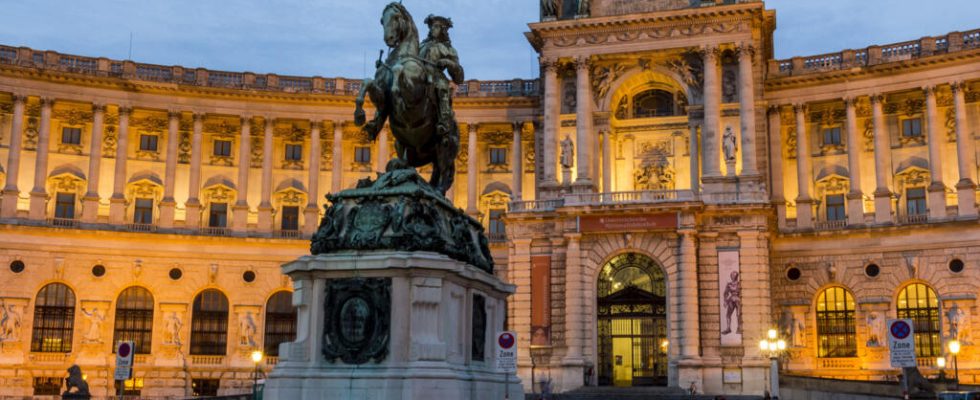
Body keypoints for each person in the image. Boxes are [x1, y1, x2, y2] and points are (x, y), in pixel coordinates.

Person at [420, 14, 464, 141]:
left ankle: (444, 123)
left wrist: (448, 62)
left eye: (436, 27)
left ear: (443, 30)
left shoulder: (449, 50)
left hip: (435, 76)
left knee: (442, 89)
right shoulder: (420, 46)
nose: (432, 29)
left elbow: (459, 77)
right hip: (418, 75)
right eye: (432, 27)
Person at [720, 271, 742, 335]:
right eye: (732, 275)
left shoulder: (739, 283)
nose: (733, 276)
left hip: (738, 300)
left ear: (736, 276)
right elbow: (725, 293)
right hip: (731, 300)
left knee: (738, 315)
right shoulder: (729, 284)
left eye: (734, 275)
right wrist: (725, 301)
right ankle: (728, 328)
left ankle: (739, 328)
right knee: (728, 315)